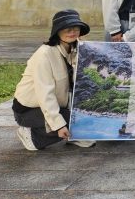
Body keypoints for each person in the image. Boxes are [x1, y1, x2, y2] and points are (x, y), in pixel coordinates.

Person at [13, 10, 95, 151]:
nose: (72, 32)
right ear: (57, 31)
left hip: (60, 104)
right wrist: (59, 125)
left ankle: (72, 134)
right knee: (69, 122)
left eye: (76, 28)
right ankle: (32, 135)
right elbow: (45, 95)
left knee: (87, 119)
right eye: (67, 29)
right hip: (29, 110)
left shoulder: (76, 50)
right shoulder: (44, 54)